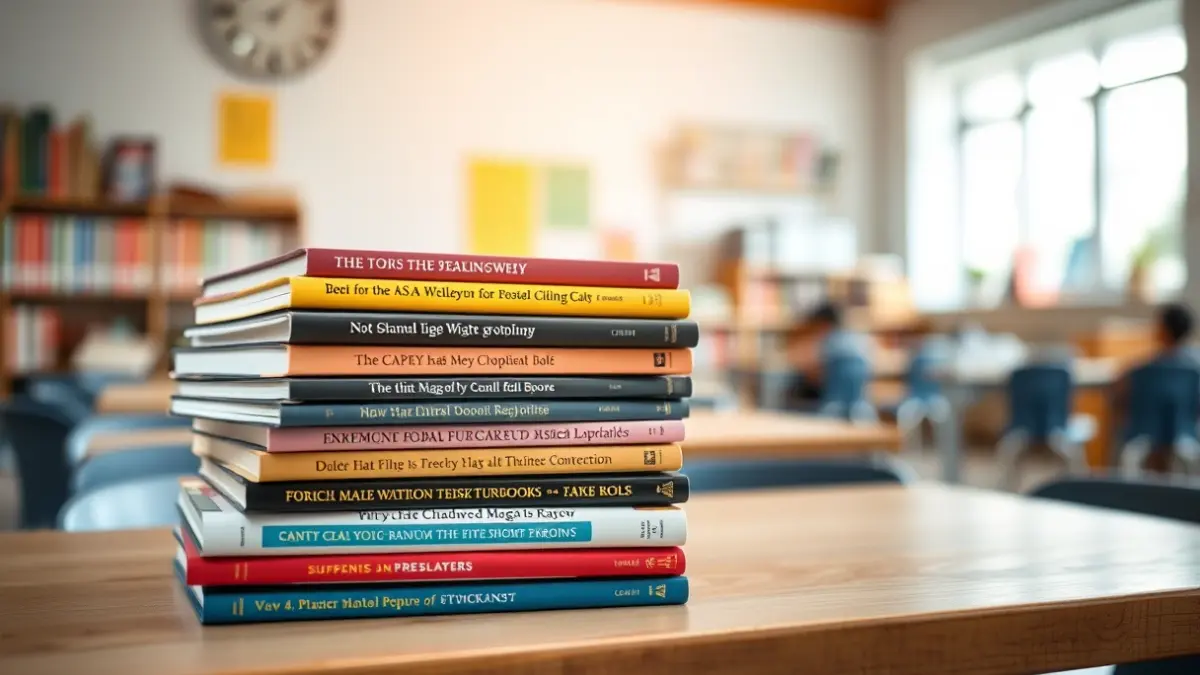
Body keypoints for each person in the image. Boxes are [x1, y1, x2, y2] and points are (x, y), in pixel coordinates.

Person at [1113, 302, 1197, 473]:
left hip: (1142, 432)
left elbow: (1120, 399)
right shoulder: (1195, 370)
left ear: (1162, 330)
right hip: (1186, 433)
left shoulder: (1140, 371)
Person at [784, 301, 872, 407]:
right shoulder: (857, 339)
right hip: (858, 401)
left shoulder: (829, 341)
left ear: (824, 323)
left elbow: (814, 372)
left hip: (833, 401)